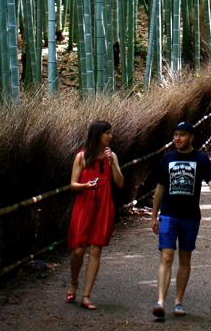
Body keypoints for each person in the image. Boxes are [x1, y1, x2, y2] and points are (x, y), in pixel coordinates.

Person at [151, 120, 211, 320]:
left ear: (191, 138)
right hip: (168, 215)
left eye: (181, 135)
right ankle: (160, 302)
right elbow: (159, 189)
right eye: (175, 135)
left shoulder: (201, 159)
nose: (177, 139)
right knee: (166, 256)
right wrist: (154, 216)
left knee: (184, 258)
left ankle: (178, 302)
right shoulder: (167, 159)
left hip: (190, 217)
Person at [66, 120, 124, 310]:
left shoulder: (111, 155)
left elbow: (120, 183)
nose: (110, 136)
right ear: (97, 135)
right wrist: (85, 186)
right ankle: (74, 282)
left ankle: (86, 295)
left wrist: (113, 163)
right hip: (84, 204)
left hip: (104, 206)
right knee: (78, 250)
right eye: (107, 133)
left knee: (96, 250)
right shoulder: (82, 156)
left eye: (110, 133)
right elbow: (73, 184)